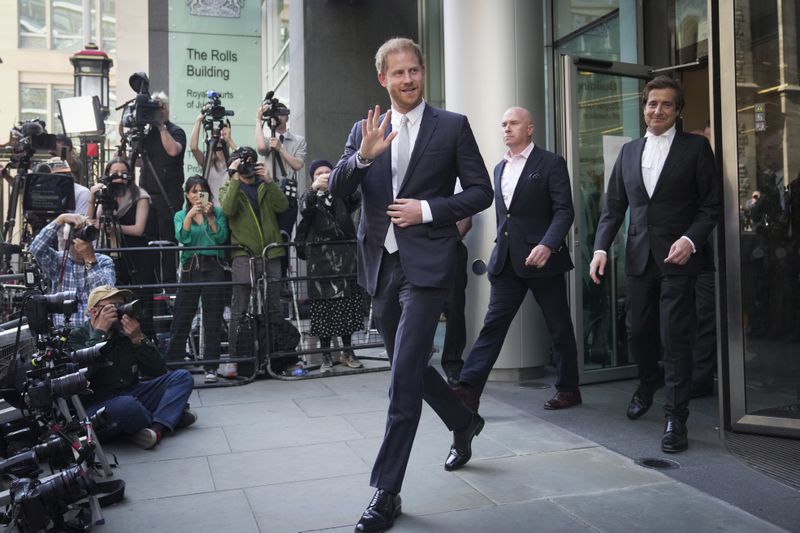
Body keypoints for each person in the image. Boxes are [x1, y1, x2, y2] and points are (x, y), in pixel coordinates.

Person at [328, 37, 493, 532]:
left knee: (402, 376)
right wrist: (361, 158)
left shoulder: (453, 127)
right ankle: (464, 422)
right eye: (397, 73)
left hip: (427, 267)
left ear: (424, 72)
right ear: (383, 78)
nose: (407, 79)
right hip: (381, 264)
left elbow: (482, 191)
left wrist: (430, 209)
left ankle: (387, 491)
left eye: (414, 70)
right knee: (411, 367)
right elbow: (336, 189)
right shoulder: (365, 128)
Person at [589, 76, 720, 453]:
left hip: (680, 258)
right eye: (651, 104)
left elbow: (710, 204)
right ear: (643, 107)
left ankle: (675, 419)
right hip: (639, 257)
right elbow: (613, 208)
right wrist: (600, 249)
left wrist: (691, 239)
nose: (657, 110)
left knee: (676, 337)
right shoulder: (629, 152)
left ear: (678, 111)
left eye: (665, 104)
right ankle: (648, 382)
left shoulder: (696, 149)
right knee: (638, 330)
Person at [455, 107, 581, 413]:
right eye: (503, 124)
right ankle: (469, 389)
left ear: (530, 128)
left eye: (513, 123)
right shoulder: (499, 169)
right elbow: (505, 218)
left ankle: (568, 388)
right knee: (493, 326)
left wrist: (549, 244)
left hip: (543, 261)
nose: (506, 129)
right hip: (507, 263)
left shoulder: (551, 163)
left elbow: (564, 210)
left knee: (559, 327)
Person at [68, 285, 197, 449]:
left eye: (121, 305)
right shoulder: (77, 336)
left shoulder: (125, 333)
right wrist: (99, 333)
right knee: (127, 406)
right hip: (99, 405)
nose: (120, 311)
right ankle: (169, 417)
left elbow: (157, 371)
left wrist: (138, 339)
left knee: (182, 377)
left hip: (132, 393)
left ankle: (156, 429)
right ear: (94, 312)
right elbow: (81, 376)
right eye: (113, 307)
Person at [219, 147, 288, 370]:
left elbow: (283, 206)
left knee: (274, 306)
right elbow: (228, 209)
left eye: (250, 162)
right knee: (239, 308)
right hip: (243, 255)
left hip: (271, 252)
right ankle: (234, 360)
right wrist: (233, 176)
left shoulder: (264, 185)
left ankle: (277, 358)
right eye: (242, 163)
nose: (248, 167)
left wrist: (269, 181)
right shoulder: (229, 187)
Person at [298, 159, 364, 374]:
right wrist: (314, 189)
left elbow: (357, 197)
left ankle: (348, 352)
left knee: (346, 309)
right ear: (312, 177)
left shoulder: (342, 195)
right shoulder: (310, 197)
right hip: (321, 262)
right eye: (320, 173)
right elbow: (303, 208)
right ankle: (326, 356)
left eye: (329, 172)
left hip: (346, 260)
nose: (325, 175)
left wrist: (343, 181)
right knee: (323, 311)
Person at [166, 176, 229, 383]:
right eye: (193, 191)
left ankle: (211, 367)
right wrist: (189, 217)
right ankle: (173, 365)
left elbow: (220, 238)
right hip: (190, 267)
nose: (197, 195)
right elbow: (182, 238)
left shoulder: (218, 212)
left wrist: (210, 218)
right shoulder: (180, 214)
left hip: (214, 266)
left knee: (212, 318)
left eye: (201, 191)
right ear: (187, 194)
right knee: (182, 316)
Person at [88, 157, 158, 338]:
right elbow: (92, 224)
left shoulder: (139, 195)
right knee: (113, 298)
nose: (118, 178)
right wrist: (91, 198)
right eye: (113, 174)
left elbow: (138, 229)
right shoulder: (105, 196)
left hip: (136, 255)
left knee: (140, 301)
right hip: (111, 253)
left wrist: (115, 228)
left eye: (122, 173)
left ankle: (146, 342)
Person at [29, 213, 116, 327]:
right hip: (64, 332)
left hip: (94, 331)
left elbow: (106, 292)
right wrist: (60, 219)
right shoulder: (59, 260)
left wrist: (90, 260)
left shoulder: (104, 261)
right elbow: (36, 249)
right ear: (68, 241)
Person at [137, 91, 187, 282]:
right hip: (148, 196)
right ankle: (152, 287)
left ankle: (170, 287)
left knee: (167, 245)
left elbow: (173, 150)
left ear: (166, 109)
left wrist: (160, 126)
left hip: (169, 197)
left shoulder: (175, 131)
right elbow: (140, 159)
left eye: (160, 107)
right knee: (148, 242)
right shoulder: (146, 134)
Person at [255, 100, 306, 278]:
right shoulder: (267, 137)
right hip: (269, 191)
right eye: (275, 114)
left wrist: (281, 148)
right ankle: (267, 275)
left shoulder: (298, 140)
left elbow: (298, 164)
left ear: (286, 116)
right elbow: (261, 149)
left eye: (281, 113)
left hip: (288, 193)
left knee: (283, 237)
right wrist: (258, 120)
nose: (278, 117)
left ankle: (282, 278)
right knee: (268, 235)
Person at [440, 214, 471, 386]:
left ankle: (453, 364)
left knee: (454, 307)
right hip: (418, 249)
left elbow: (467, 219)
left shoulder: (458, 185)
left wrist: (449, 242)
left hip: (451, 248)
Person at [189, 113, 237, 206]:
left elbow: (244, 158)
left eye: (223, 134)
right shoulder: (208, 160)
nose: (219, 138)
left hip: (229, 207)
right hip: (210, 208)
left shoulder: (233, 162)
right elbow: (193, 148)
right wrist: (198, 121)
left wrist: (229, 140)